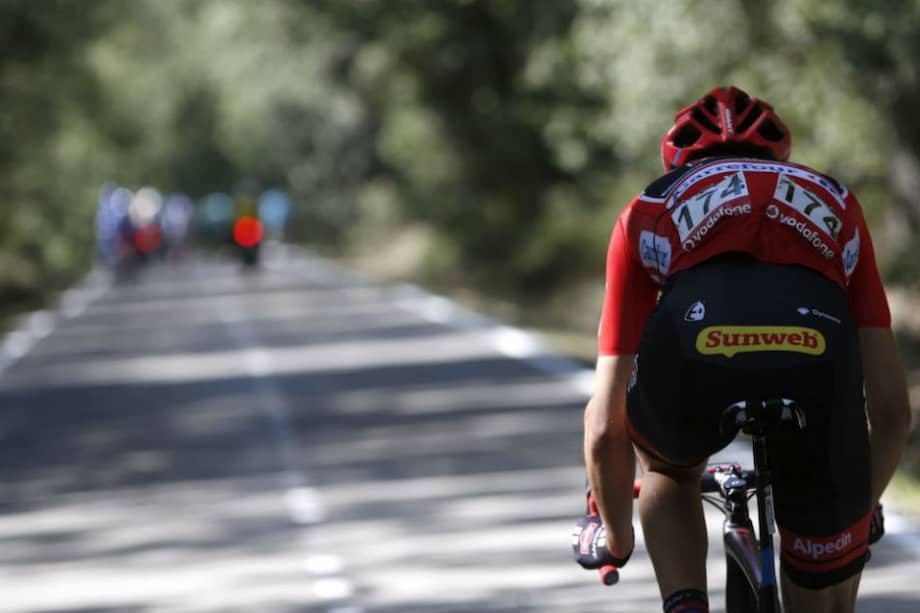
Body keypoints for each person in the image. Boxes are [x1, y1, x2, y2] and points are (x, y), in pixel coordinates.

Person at [574, 86, 911, 612]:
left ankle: (685, 603)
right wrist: (855, 510)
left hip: (697, 349)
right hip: (815, 356)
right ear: (780, 158)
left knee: (668, 470)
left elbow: (603, 426)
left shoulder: (650, 204)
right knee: (828, 587)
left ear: (679, 161)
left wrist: (614, 536)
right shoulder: (838, 200)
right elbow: (891, 410)